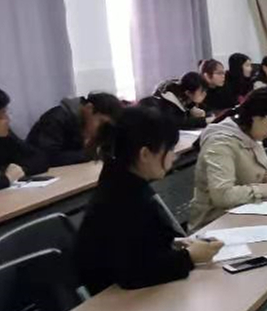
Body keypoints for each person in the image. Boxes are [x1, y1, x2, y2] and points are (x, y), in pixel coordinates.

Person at [75, 105, 221, 293]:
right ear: (145, 154)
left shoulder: (122, 179)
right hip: (119, 301)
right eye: (169, 149)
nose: (174, 157)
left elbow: (142, 243)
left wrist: (174, 243)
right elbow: (134, 272)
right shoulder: (121, 197)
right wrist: (189, 257)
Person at [188, 90, 267, 230]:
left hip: (248, 214)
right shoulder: (220, 143)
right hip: (215, 225)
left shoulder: (251, 135)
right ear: (255, 117)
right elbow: (222, 195)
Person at [28, 92, 124, 167]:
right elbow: (46, 158)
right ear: (89, 108)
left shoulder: (82, 122)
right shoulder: (56, 118)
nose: (102, 129)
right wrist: (89, 154)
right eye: (101, 122)